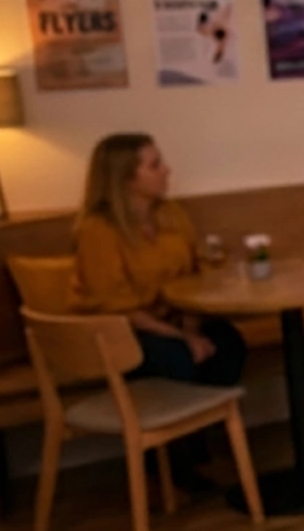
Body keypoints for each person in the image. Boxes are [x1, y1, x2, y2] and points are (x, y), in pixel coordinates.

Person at [72, 133, 248, 389]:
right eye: (154, 166)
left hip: (174, 318)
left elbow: (193, 275)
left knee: (229, 342)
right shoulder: (98, 230)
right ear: (126, 178)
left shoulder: (171, 214)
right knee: (179, 358)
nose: (167, 170)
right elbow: (117, 308)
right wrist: (183, 337)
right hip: (125, 332)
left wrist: (191, 327)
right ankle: (182, 427)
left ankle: (212, 423)